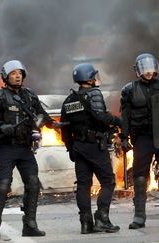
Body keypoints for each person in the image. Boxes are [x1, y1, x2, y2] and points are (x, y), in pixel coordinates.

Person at [0, 60, 55, 240]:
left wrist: (53, 124)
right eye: (14, 73)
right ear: (5, 76)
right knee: (2, 186)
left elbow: (41, 115)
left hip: (25, 148)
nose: (18, 76)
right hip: (6, 148)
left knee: (32, 183)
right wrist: (1, 127)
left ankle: (30, 225)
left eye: (20, 73)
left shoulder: (30, 95)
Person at [120, 53, 159, 229]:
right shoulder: (130, 89)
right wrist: (124, 137)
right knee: (140, 177)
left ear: (155, 68)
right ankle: (139, 217)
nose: (148, 72)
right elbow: (125, 116)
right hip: (142, 138)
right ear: (138, 71)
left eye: (150, 68)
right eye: (144, 68)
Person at [60, 63, 121, 234]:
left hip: (78, 147)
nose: (95, 79)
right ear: (89, 78)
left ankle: (85, 223)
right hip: (94, 145)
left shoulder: (69, 100)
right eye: (93, 76)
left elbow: (65, 127)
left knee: (83, 185)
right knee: (108, 181)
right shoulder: (94, 94)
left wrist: (70, 147)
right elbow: (101, 116)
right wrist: (118, 121)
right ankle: (102, 219)